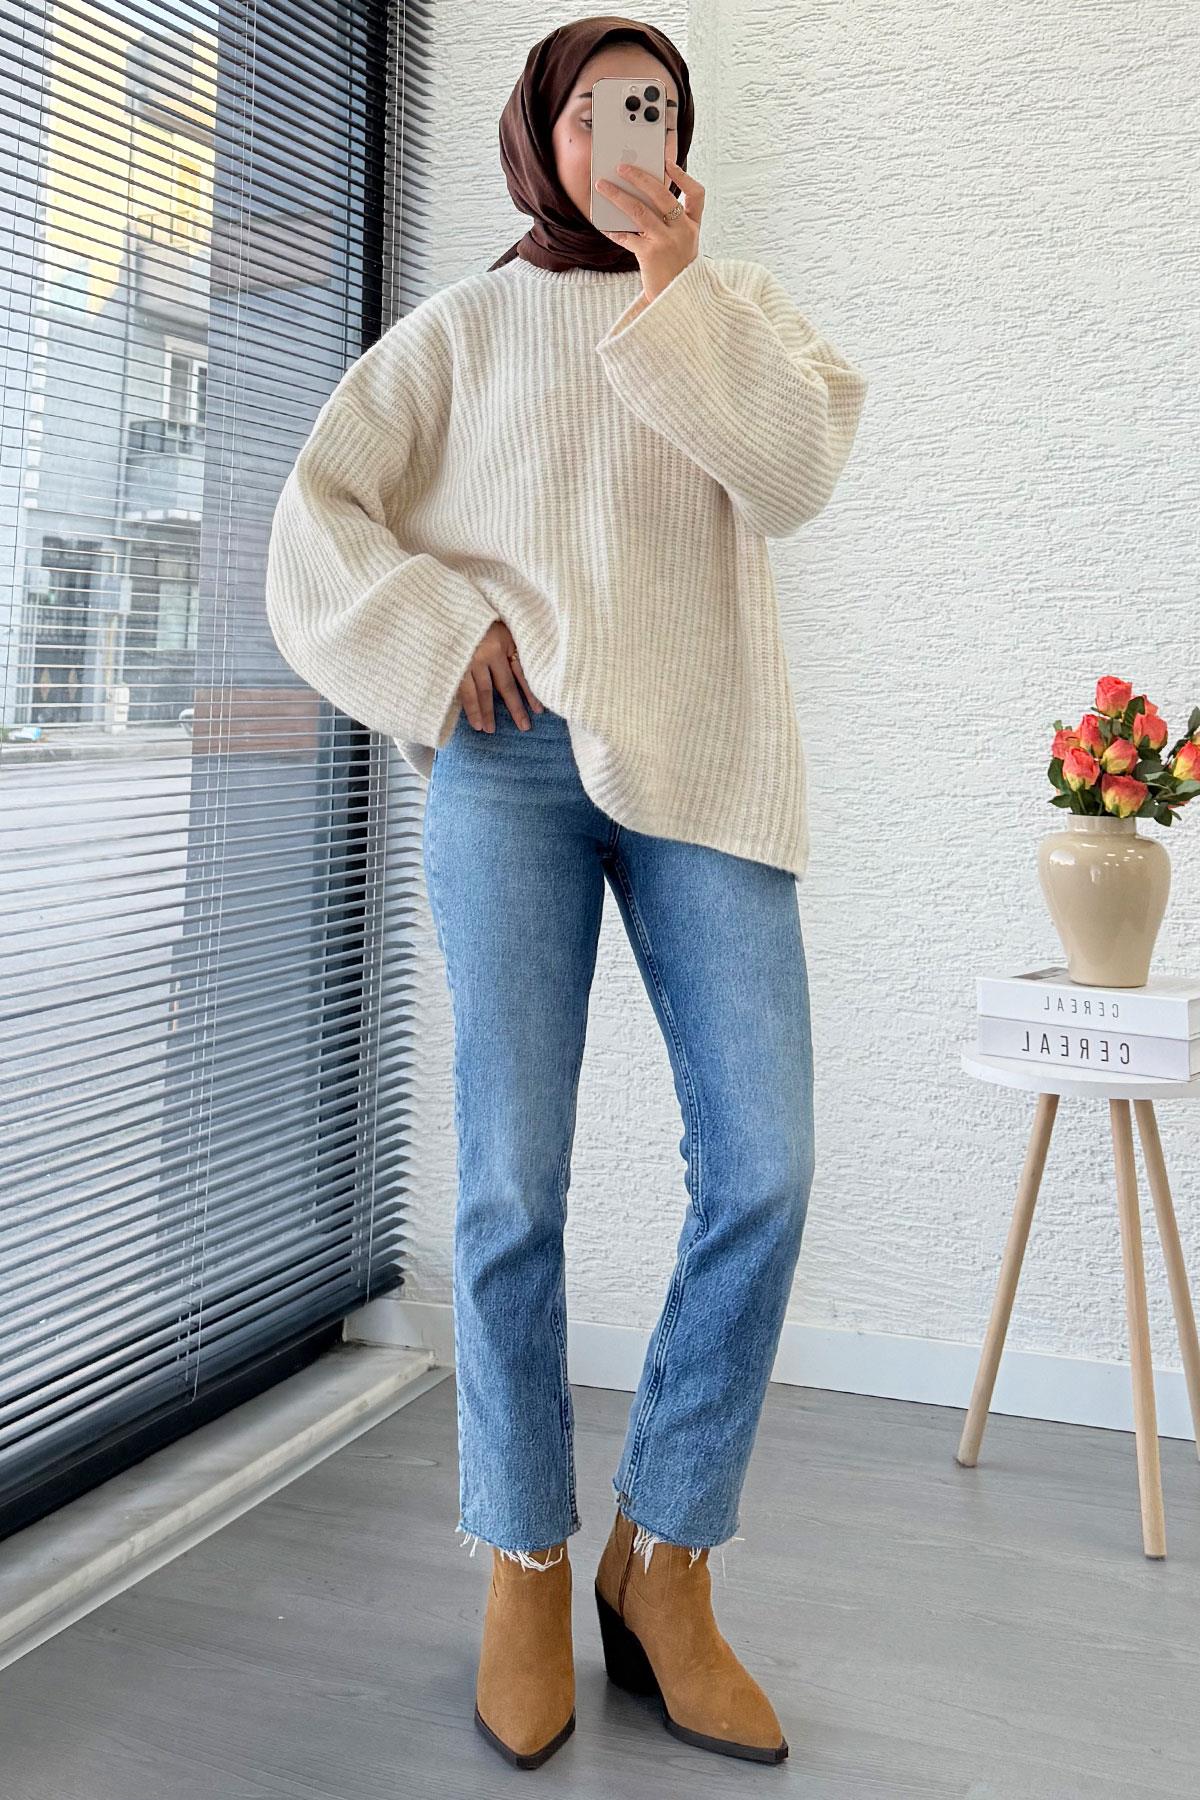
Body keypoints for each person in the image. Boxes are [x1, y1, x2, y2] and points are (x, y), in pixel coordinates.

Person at [264, 12, 867, 1775]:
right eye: (601, 107)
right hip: (513, 769)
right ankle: (525, 1561)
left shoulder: (733, 312)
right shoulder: (457, 334)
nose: (630, 133)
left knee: (764, 1163)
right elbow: (317, 518)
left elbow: (795, 477)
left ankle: (662, 1561)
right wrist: (437, 631)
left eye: (657, 107)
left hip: (708, 760)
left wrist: (675, 293)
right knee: (511, 1181)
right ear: (542, 131)